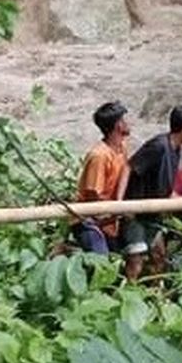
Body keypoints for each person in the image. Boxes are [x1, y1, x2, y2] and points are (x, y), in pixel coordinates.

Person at [121, 104, 182, 280]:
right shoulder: (158, 146)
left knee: (159, 257)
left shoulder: (177, 150)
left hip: (153, 214)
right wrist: (122, 204)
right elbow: (130, 167)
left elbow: (165, 187)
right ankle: (127, 296)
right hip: (137, 213)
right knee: (136, 260)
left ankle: (155, 297)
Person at [72, 102, 131, 254]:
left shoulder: (122, 147)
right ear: (118, 125)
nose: (128, 123)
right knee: (101, 261)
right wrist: (110, 217)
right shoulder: (99, 156)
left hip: (110, 216)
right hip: (89, 220)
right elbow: (93, 195)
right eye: (124, 120)